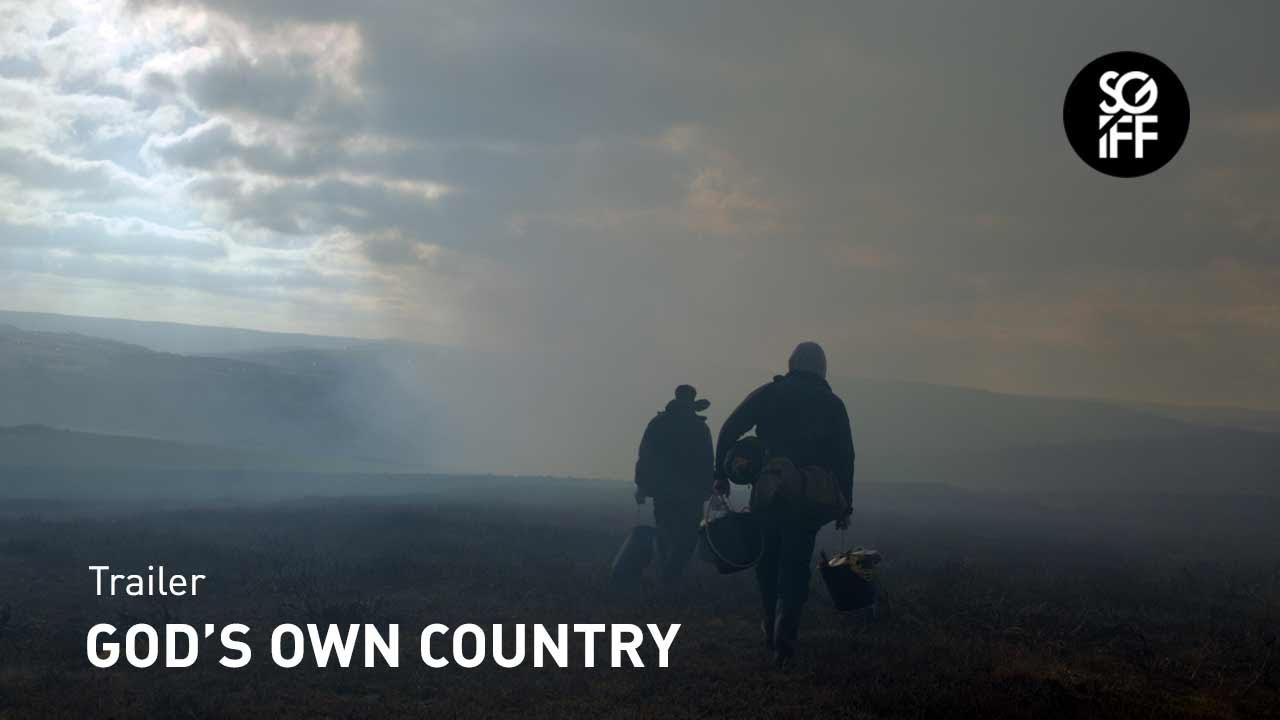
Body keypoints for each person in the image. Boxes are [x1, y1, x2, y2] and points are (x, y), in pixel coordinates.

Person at [714, 342, 855, 666]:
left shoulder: (769, 393)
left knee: (767, 562)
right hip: (808, 500)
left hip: (767, 493)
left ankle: (770, 626)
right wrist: (844, 503)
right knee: (795, 566)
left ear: (792, 365)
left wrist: (721, 474)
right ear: (822, 369)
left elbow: (729, 429)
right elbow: (845, 457)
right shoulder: (833, 404)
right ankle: (784, 638)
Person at [634, 385, 715, 582]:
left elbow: (645, 455)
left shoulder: (658, 423)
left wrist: (642, 485)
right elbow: (707, 460)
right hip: (691, 493)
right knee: (686, 536)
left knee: (666, 532)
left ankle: (667, 573)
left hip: (665, 490)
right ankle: (671, 573)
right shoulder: (700, 427)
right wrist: (708, 487)